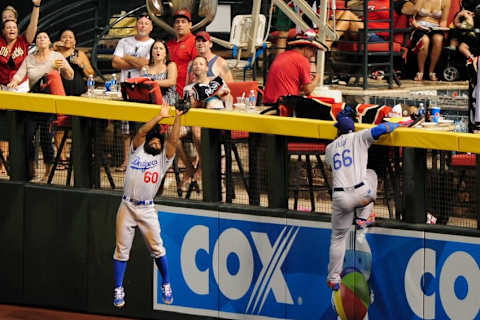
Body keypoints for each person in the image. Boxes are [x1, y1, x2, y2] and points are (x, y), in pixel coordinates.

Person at [112, 103, 184, 308]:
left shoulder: (162, 160)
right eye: (152, 140)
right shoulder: (137, 151)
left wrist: (178, 116)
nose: (155, 142)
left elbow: (173, 140)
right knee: (121, 249)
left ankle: (167, 283)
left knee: (157, 248)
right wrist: (159, 117)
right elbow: (142, 131)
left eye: (157, 141)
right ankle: (118, 288)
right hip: (126, 206)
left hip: (146, 209)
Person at [325, 114, 399, 290]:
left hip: (340, 198)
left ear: (338, 131)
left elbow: (331, 165)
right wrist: (394, 125)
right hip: (361, 194)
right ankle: (363, 218)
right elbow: (381, 129)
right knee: (371, 174)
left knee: (338, 238)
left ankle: (333, 278)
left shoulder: (330, 147)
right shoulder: (360, 136)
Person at [8, 31, 74, 181]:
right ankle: (30, 170)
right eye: (39, 37)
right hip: (33, 103)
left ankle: (48, 172)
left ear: (49, 41)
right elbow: (19, 74)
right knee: (28, 137)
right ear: (36, 42)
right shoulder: (29, 58)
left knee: (46, 139)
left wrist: (64, 67)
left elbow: (70, 76)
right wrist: (14, 82)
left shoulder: (57, 56)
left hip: (50, 104)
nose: (41, 39)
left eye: (44, 36)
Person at [180, 56, 232, 187]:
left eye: (201, 64)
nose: (197, 66)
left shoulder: (216, 82)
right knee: (175, 132)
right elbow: (187, 108)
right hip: (194, 120)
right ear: (192, 69)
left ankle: (202, 166)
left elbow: (229, 101)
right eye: (195, 64)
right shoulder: (188, 88)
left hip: (216, 120)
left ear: (207, 68)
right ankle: (193, 166)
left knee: (211, 107)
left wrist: (224, 96)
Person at [112, 12, 155, 172]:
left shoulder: (153, 43)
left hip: (142, 88)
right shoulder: (124, 41)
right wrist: (135, 62)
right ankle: (126, 160)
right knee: (125, 128)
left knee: (143, 126)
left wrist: (127, 57)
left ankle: (143, 159)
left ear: (151, 27)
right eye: (140, 23)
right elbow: (115, 62)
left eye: (146, 23)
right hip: (125, 87)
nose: (142, 26)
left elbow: (146, 64)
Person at [263, 30, 323, 106]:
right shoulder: (302, 60)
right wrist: (317, 79)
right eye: (314, 51)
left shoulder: (282, 55)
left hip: (269, 101)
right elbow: (308, 90)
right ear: (307, 48)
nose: (313, 55)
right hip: (284, 104)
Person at [0, 0, 41, 92]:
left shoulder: (23, 40)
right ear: (3, 30)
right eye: (5, 18)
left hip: (20, 86)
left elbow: (33, 25)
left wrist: (36, 6)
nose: (11, 29)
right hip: (2, 86)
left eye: (14, 27)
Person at [410, 0, 451, 81]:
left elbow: (443, 20)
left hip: (435, 27)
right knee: (425, 40)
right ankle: (420, 72)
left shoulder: (445, 1)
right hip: (419, 26)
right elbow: (412, 17)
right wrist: (417, 26)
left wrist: (442, 28)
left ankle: (431, 72)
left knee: (438, 39)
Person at [167, 8, 197, 96]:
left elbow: (197, 69)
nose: (180, 25)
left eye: (183, 22)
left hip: (186, 92)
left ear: (190, 24)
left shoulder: (195, 42)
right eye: (177, 22)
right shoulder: (169, 44)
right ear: (174, 25)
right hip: (169, 92)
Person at [144, 39, 178, 106]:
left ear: (165, 53)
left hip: (167, 103)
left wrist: (152, 83)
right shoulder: (145, 68)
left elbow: (171, 81)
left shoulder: (170, 65)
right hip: (149, 102)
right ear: (151, 52)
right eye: (155, 48)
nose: (158, 50)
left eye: (161, 48)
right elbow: (142, 84)